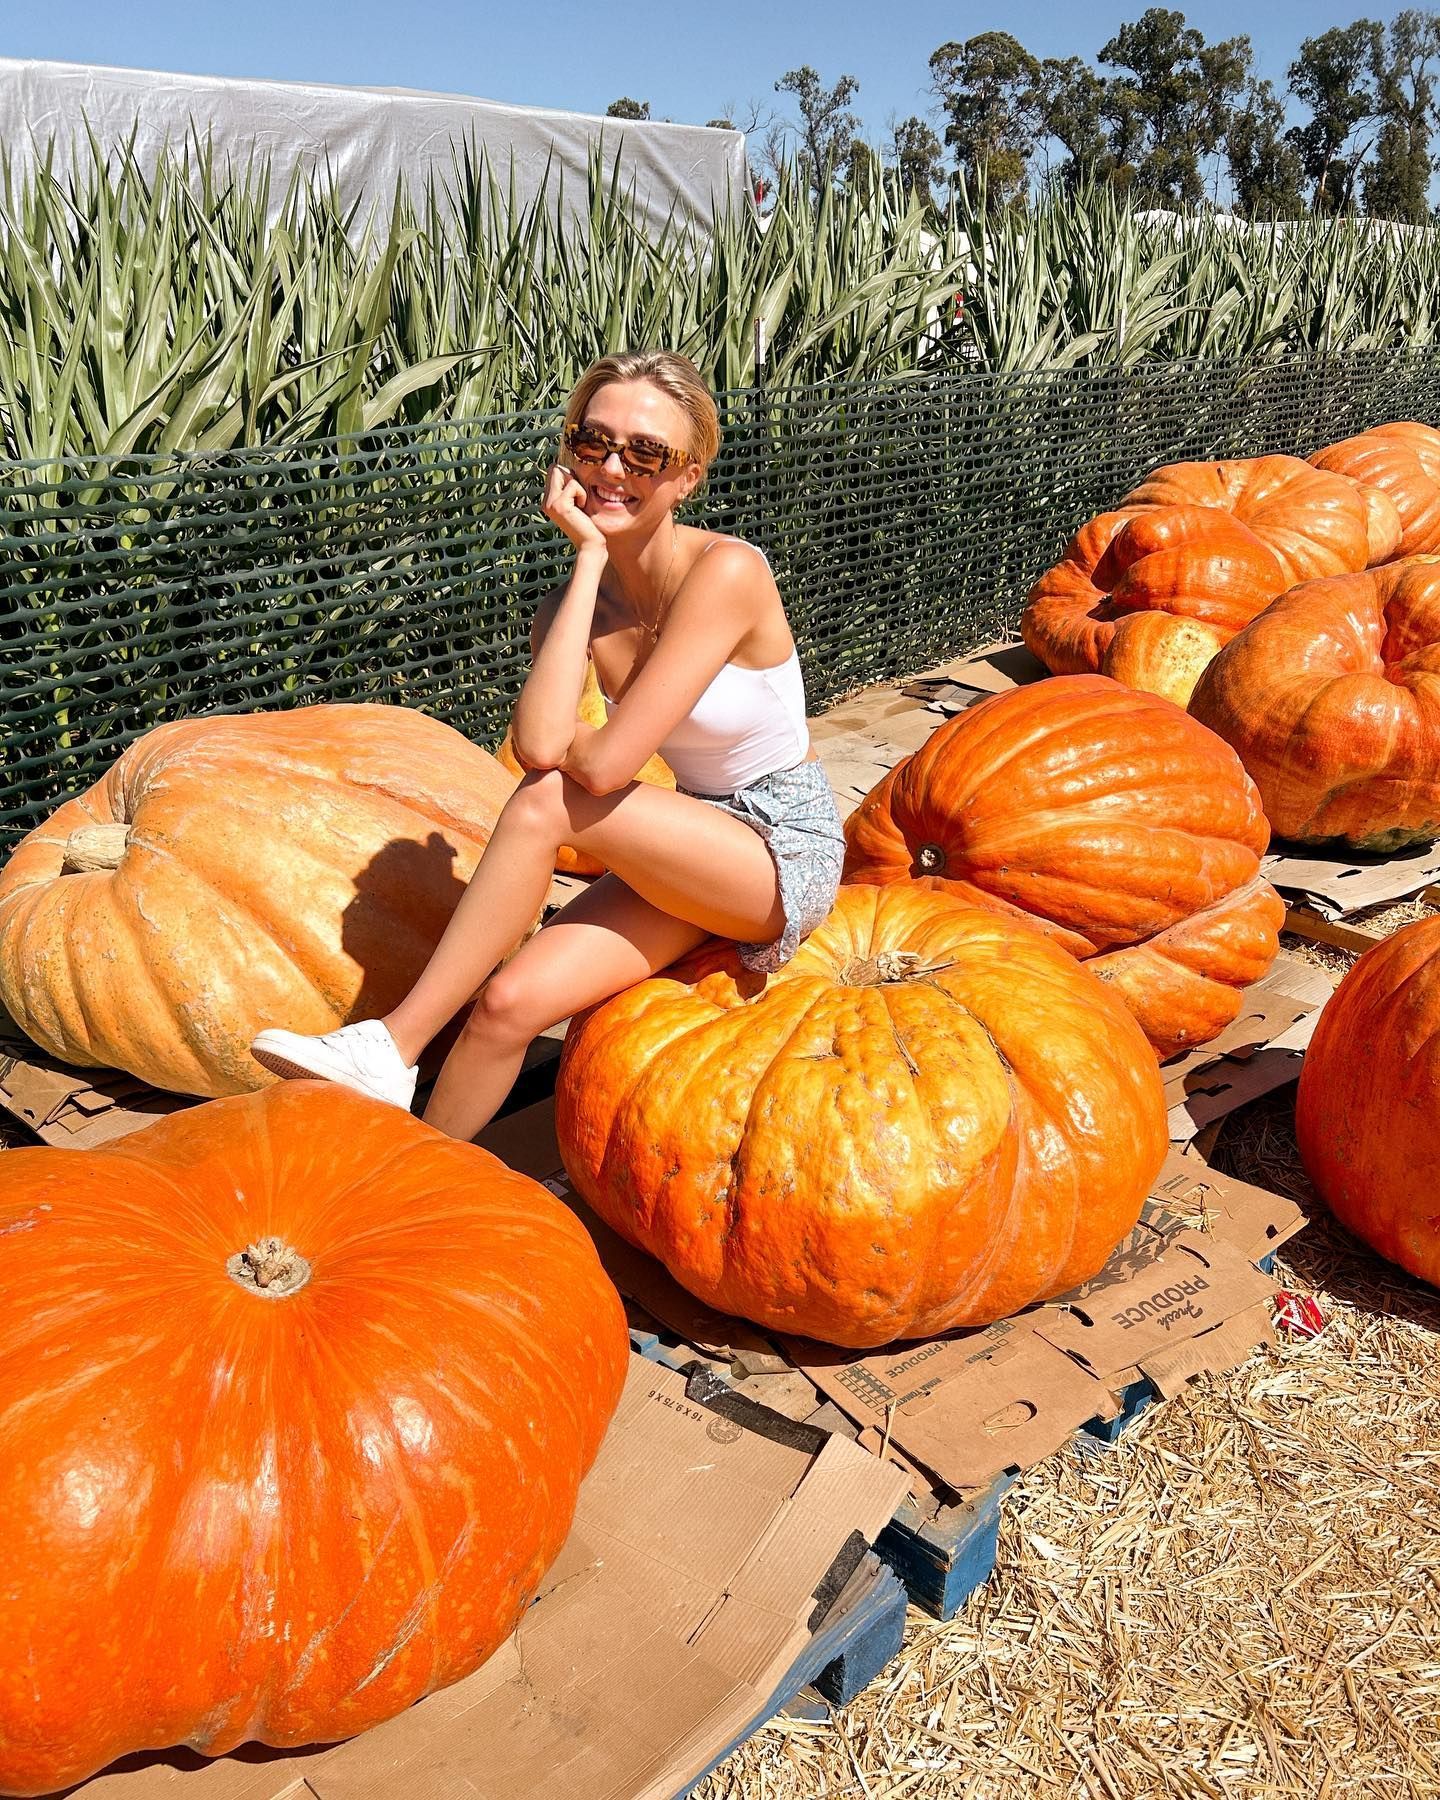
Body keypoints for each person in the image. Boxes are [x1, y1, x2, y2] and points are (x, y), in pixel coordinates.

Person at [250, 349, 845, 1141]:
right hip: (695, 836)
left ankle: (393, 1043)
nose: (611, 468)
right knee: (506, 1005)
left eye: (645, 454)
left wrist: (579, 746)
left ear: (687, 478)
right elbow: (537, 744)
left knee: (550, 800)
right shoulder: (574, 606)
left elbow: (598, 768)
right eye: (592, 442)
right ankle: (418, 1177)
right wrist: (589, 563)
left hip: (779, 849)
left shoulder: (727, 572)